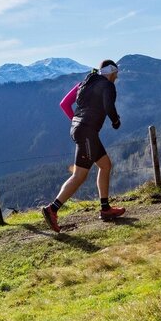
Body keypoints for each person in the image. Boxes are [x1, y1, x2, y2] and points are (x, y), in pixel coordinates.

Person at [42, 60, 125, 232]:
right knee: (79, 175)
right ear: (111, 72)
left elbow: (64, 104)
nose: (116, 77)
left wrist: (77, 122)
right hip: (87, 132)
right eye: (116, 73)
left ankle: (105, 208)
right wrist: (115, 121)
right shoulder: (108, 85)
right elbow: (109, 106)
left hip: (81, 129)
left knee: (105, 165)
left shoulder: (85, 83)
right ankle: (52, 209)